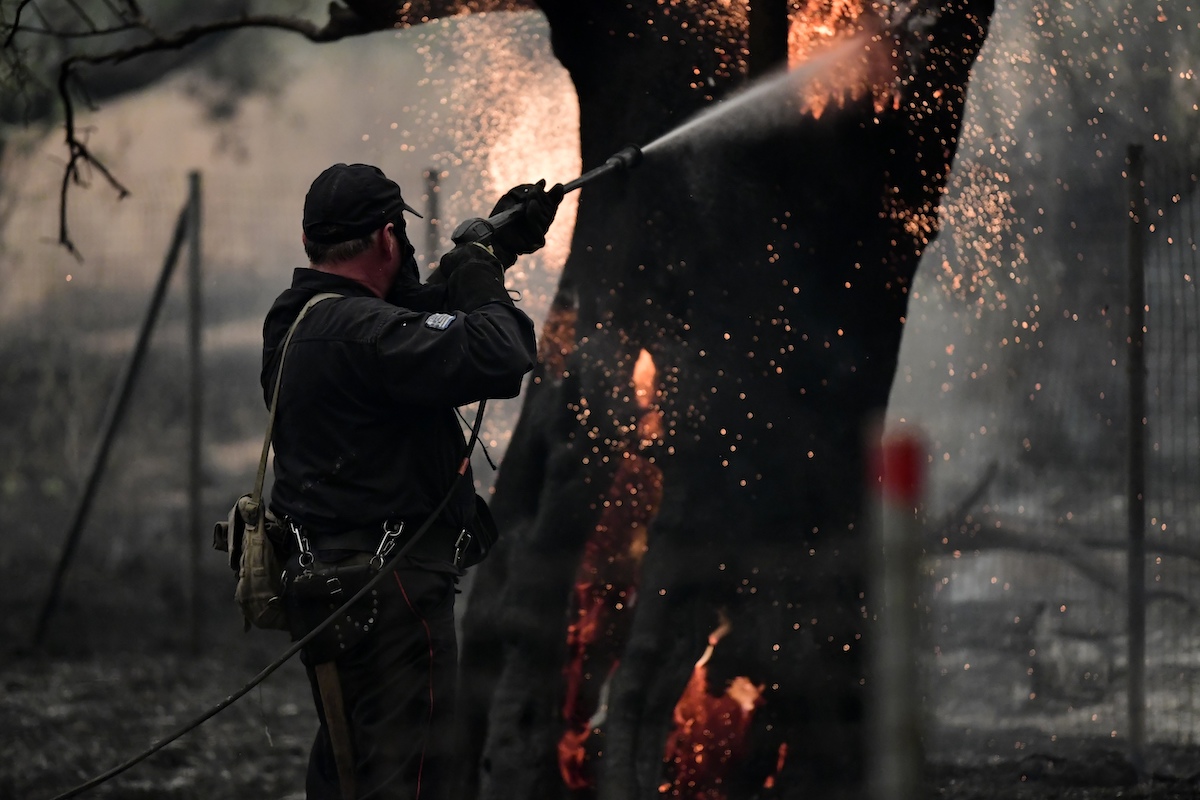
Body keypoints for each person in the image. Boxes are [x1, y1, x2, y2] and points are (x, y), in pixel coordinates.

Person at [262, 162, 562, 800]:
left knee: (352, 769)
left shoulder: (300, 322)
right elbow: (497, 352)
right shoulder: (363, 335)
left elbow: (407, 326)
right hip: (391, 598)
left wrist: (494, 246)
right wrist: (478, 270)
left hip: (333, 590)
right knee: (416, 779)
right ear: (386, 237)